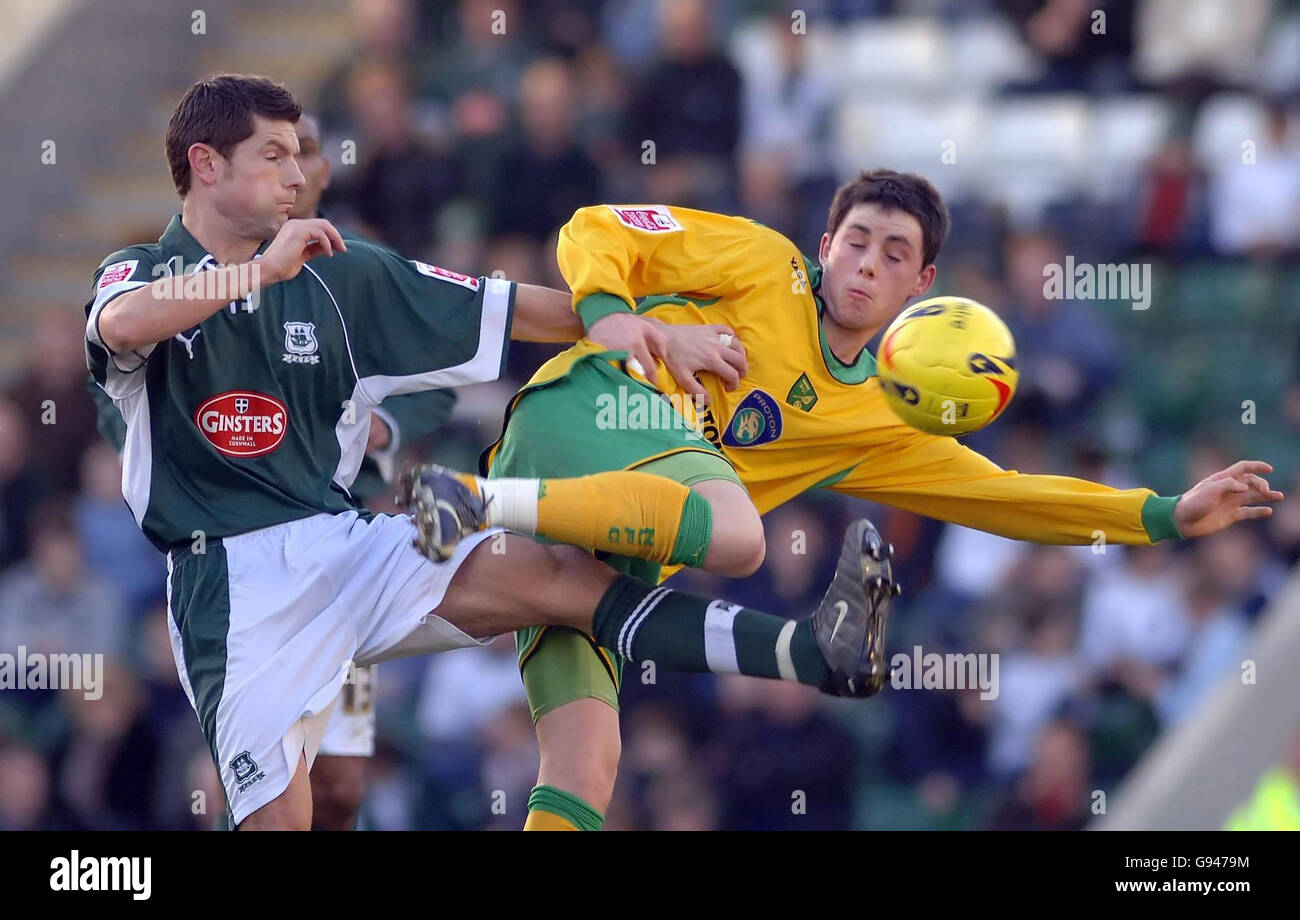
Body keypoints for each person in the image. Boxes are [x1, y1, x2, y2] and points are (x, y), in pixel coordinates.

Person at [83, 73, 895, 831]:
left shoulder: (343, 272)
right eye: (275, 155)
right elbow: (122, 325)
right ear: (205, 164)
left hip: (346, 542)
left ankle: (807, 650)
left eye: (303, 154)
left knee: (561, 576)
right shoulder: (144, 270)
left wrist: (637, 326)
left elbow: (508, 312)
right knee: (310, 805)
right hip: (234, 587)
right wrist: (255, 275)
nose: (298, 176)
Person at [405, 171, 1284, 831]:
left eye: (893, 254)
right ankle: (475, 498)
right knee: (742, 539)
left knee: (587, 767)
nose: (867, 262)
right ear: (824, 246)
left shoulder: (882, 423)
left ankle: (481, 508)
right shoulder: (760, 263)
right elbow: (599, 227)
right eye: (856, 240)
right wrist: (608, 314)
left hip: (607, 538)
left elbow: (1010, 499)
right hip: (586, 410)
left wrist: (1164, 514)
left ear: (922, 285)